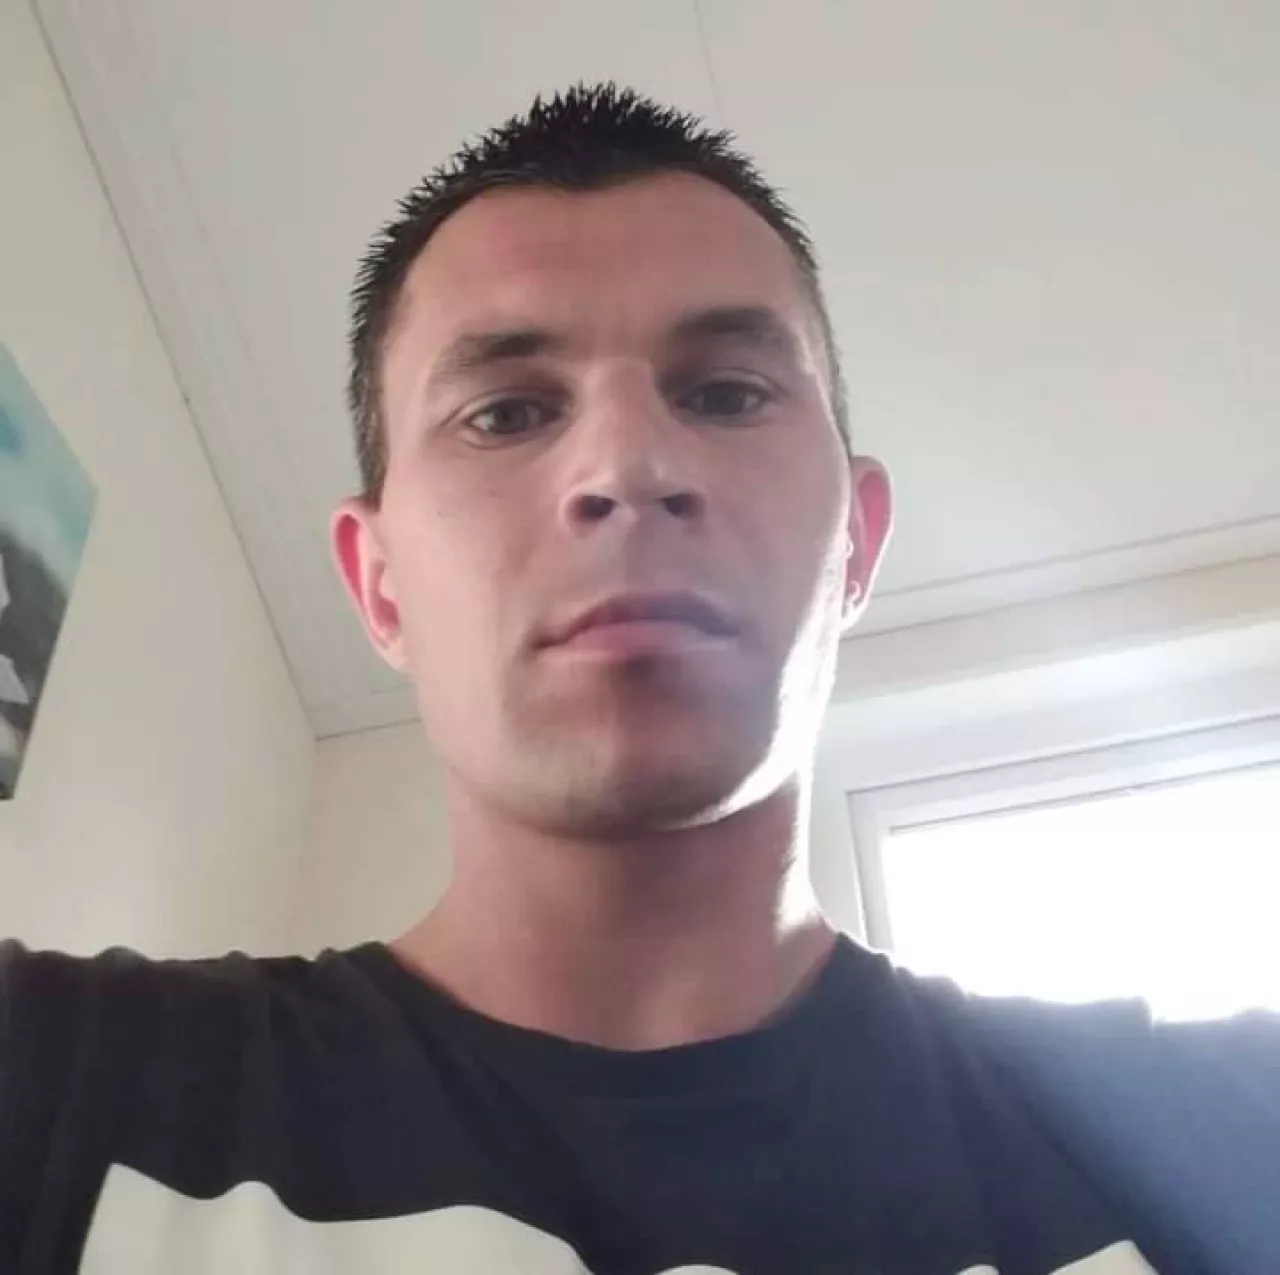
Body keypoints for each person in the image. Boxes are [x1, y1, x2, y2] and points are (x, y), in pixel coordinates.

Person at [0, 84, 1275, 1275]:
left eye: (724, 392)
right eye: (506, 413)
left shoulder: (1225, 1132)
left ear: (855, 543)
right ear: (379, 586)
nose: (626, 465)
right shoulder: (48, 1078)